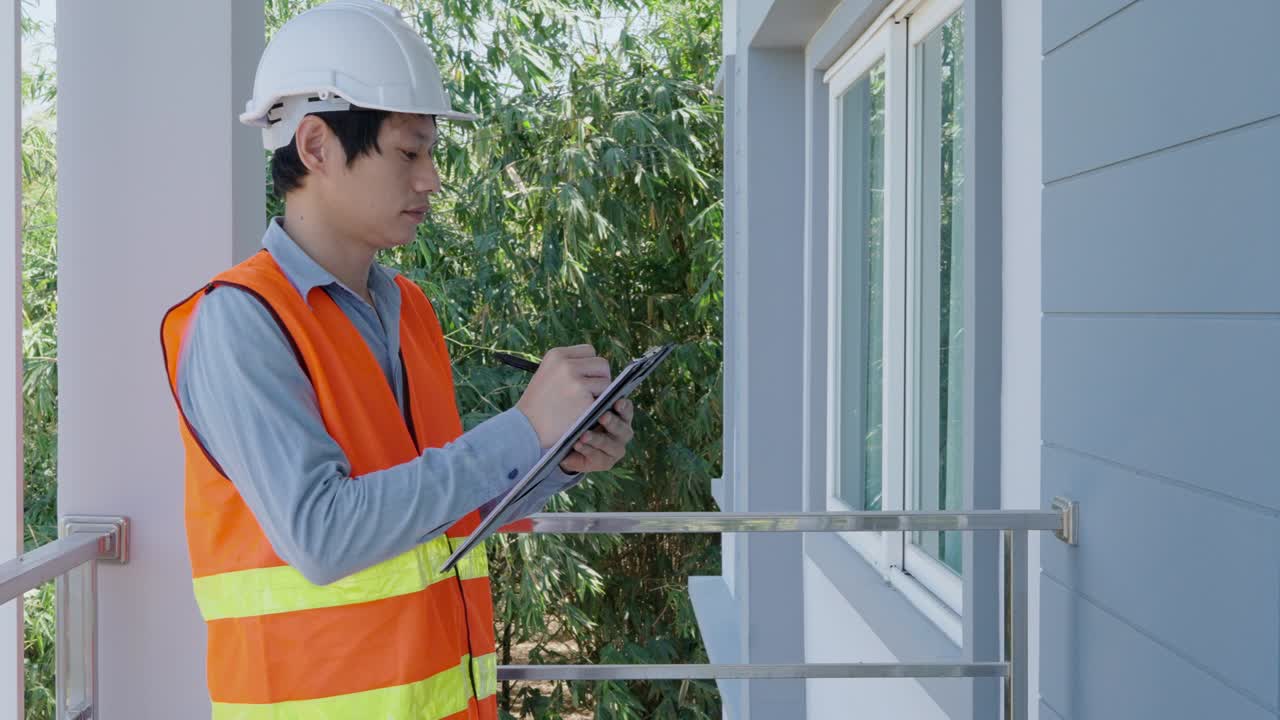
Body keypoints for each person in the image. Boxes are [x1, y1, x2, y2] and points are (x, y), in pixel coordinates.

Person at [159, 2, 634, 717]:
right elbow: (322, 536)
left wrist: (558, 456)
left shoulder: (409, 310)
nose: (432, 179)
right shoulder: (240, 322)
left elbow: (435, 508)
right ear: (315, 147)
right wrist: (522, 428)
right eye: (410, 152)